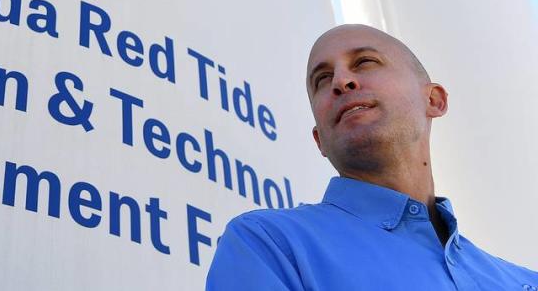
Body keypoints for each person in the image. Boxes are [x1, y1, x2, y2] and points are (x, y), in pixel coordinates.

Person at [205, 24, 538, 290]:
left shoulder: (524, 281)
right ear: (320, 140)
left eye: (364, 62)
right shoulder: (269, 245)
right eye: (322, 79)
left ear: (434, 100)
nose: (341, 81)